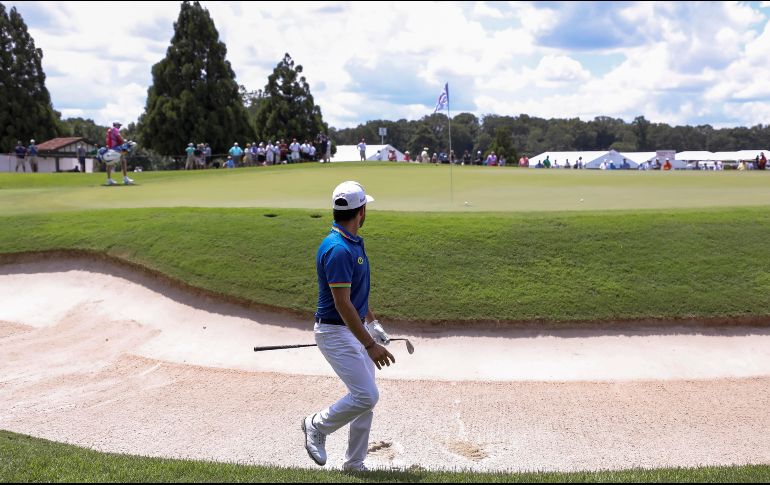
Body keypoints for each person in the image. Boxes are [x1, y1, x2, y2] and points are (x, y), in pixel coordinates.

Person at [302, 180, 395, 472]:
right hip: (335, 332)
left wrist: (373, 323)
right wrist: (369, 344)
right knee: (367, 395)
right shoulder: (338, 249)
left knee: (364, 399)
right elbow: (342, 304)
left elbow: (356, 297)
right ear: (362, 211)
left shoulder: (351, 242)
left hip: (350, 328)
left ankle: (354, 463)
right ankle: (316, 425)